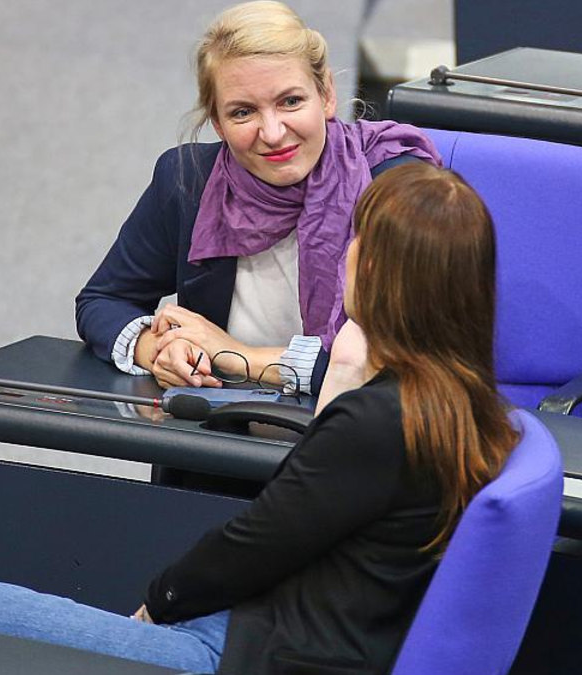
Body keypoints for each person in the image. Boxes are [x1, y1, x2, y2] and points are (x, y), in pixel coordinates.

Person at [0, 161, 522, 675]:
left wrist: (156, 606)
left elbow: (256, 541)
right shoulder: (467, 408)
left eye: (357, 241)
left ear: (375, 270)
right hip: (296, 631)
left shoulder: (376, 422)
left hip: (241, 654)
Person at [74, 0, 441, 396]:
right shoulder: (187, 181)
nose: (273, 133)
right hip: (224, 421)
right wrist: (158, 349)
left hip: (358, 424)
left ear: (327, 95)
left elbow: (412, 363)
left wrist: (239, 356)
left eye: (291, 102)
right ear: (218, 123)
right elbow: (103, 300)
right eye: (243, 113)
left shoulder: (395, 185)